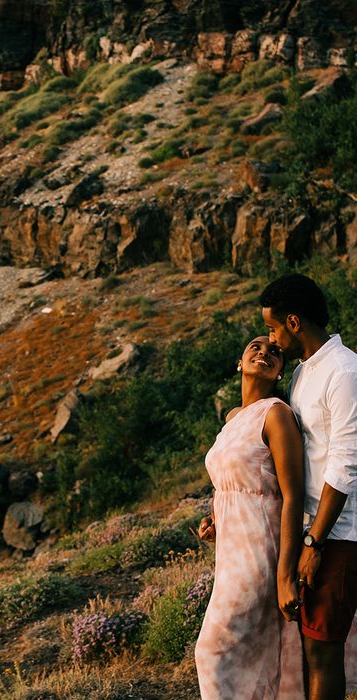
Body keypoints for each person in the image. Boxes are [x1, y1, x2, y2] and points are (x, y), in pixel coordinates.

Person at [261, 273, 357, 700]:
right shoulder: (304, 372)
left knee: (323, 652)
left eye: (273, 327)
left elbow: (346, 464)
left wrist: (314, 542)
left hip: (339, 533)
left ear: (294, 323)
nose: (272, 336)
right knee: (311, 647)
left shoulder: (345, 370)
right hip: (315, 530)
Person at [195, 335, 305, 699]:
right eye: (255, 347)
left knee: (211, 651)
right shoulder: (231, 419)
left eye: (274, 352)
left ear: (278, 373)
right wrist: (215, 517)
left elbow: (292, 494)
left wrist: (285, 572)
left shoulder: (276, 414)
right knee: (250, 655)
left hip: (261, 549)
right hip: (229, 551)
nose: (264, 352)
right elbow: (231, 481)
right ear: (240, 364)